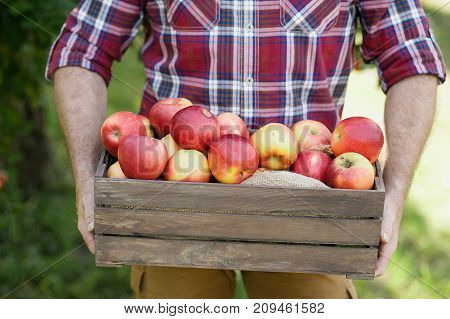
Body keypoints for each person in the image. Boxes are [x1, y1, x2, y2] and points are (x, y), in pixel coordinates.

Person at [47, 0, 446, 298]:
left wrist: (393, 195)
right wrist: (86, 180)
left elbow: (411, 58)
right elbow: (81, 49)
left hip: (309, 202)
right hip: (171, 200)